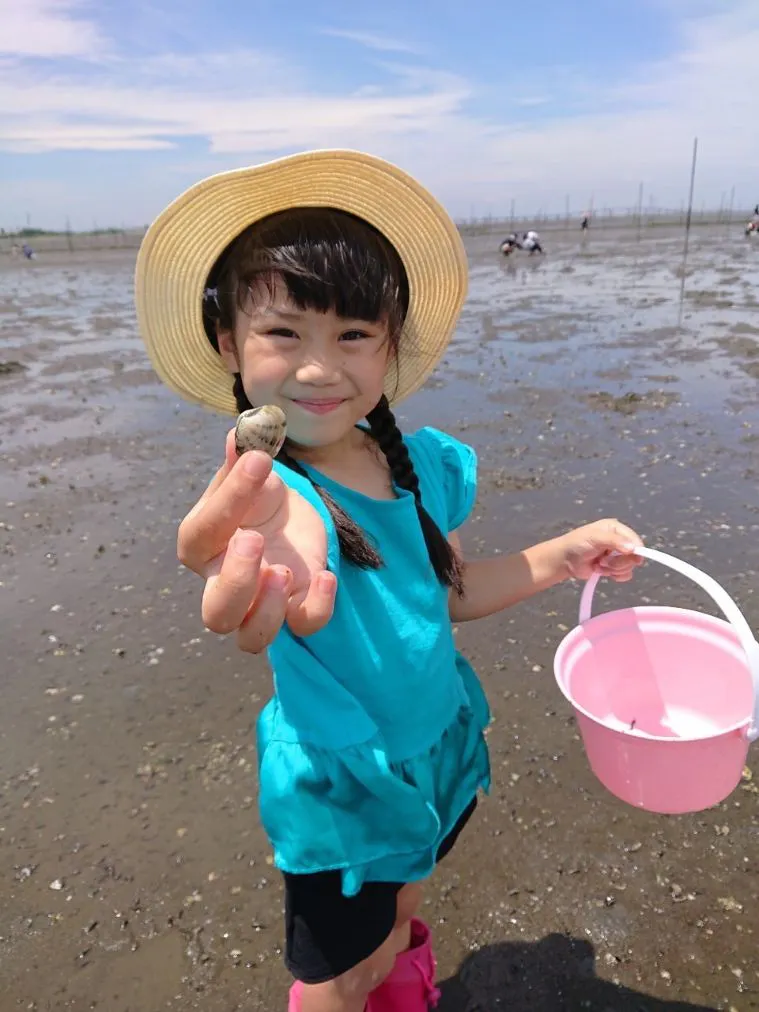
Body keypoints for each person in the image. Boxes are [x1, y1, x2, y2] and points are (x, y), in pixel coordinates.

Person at [134, 150, 643, 1012]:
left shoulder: (415, 467)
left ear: (390, 342)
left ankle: (402, 985)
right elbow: (264, 535)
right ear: (229, 344)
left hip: (434, 746)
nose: (321, 369)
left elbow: (446, 596)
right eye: (284, 333)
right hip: (346, 785)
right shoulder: (272, 496)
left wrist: (564, 553)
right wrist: (269, 558)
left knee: (404, 905)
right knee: (338, 974)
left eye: (353, 335)